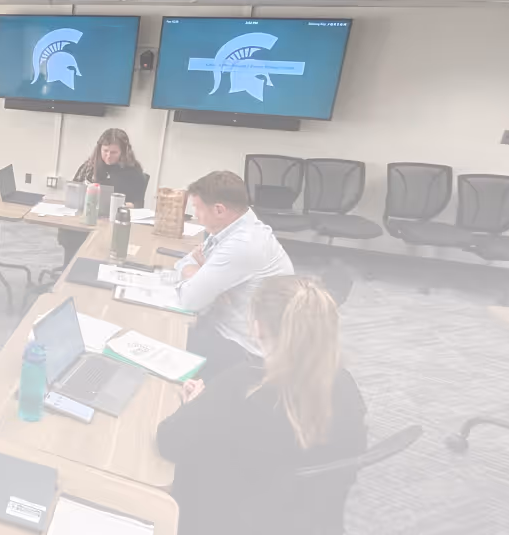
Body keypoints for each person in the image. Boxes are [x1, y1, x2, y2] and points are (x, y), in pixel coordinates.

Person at [156, 275, 368, 535]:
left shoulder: (241, 385)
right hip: (311, 521)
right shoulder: (345, 384)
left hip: (224, 518)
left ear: (257, 327)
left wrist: (194, 406)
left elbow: (168, 441)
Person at [176, 170, 294, 379]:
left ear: (219, 209)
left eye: (197, 208)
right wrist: (203, 275)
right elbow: (184, 262)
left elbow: (189, 300)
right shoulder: (234, 228)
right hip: (225, 329)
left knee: (161, 339)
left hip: (244, 352)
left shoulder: (243, 243)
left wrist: (204, 282)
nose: (196, 216)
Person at [59, 128, 149, 264]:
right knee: (72, 236)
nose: (108, 156)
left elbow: (138, 205)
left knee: (99, 246)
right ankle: (69, 272)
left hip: (113, 224)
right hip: (84, 220)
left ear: (124, 152)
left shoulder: (133, 173)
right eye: (105, 151)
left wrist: (121, 205)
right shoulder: (89, 166)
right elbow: (75, 188)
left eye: (113, 152)